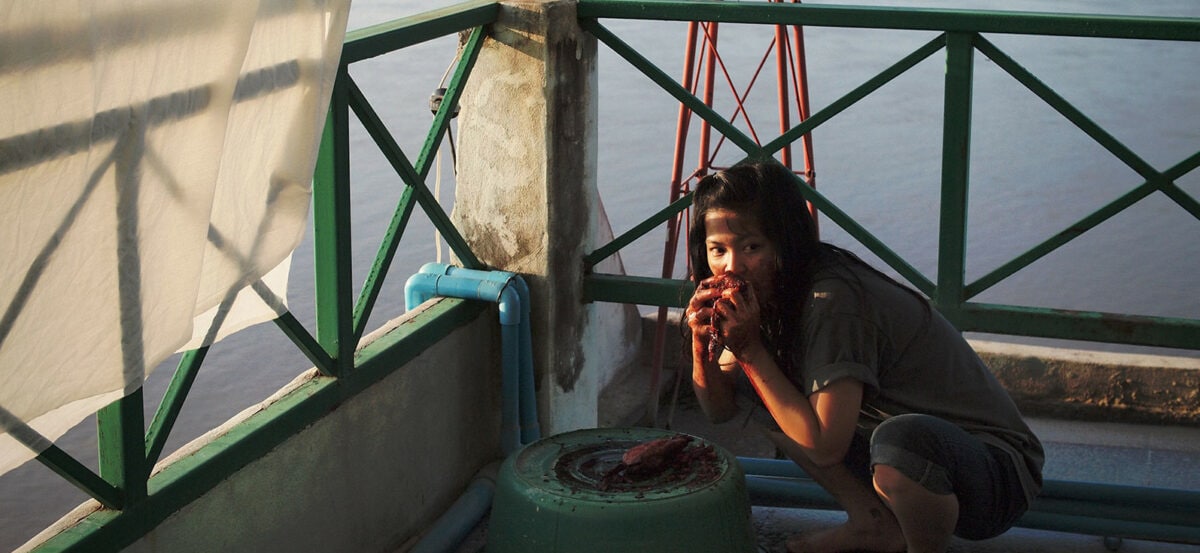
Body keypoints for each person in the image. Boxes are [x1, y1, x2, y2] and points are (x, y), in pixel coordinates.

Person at [683, 160, 1043, 553]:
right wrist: (701, 343)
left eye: (752, 247)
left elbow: (825, 447)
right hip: (900, 454)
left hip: (995, 476)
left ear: (784, 242)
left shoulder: (832, 300)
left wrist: (750, 351)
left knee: (901, 439)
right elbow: (719, 410)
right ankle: (873, 524)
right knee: (762, 386)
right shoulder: (768, 295)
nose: (732, 267)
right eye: (718, 250)